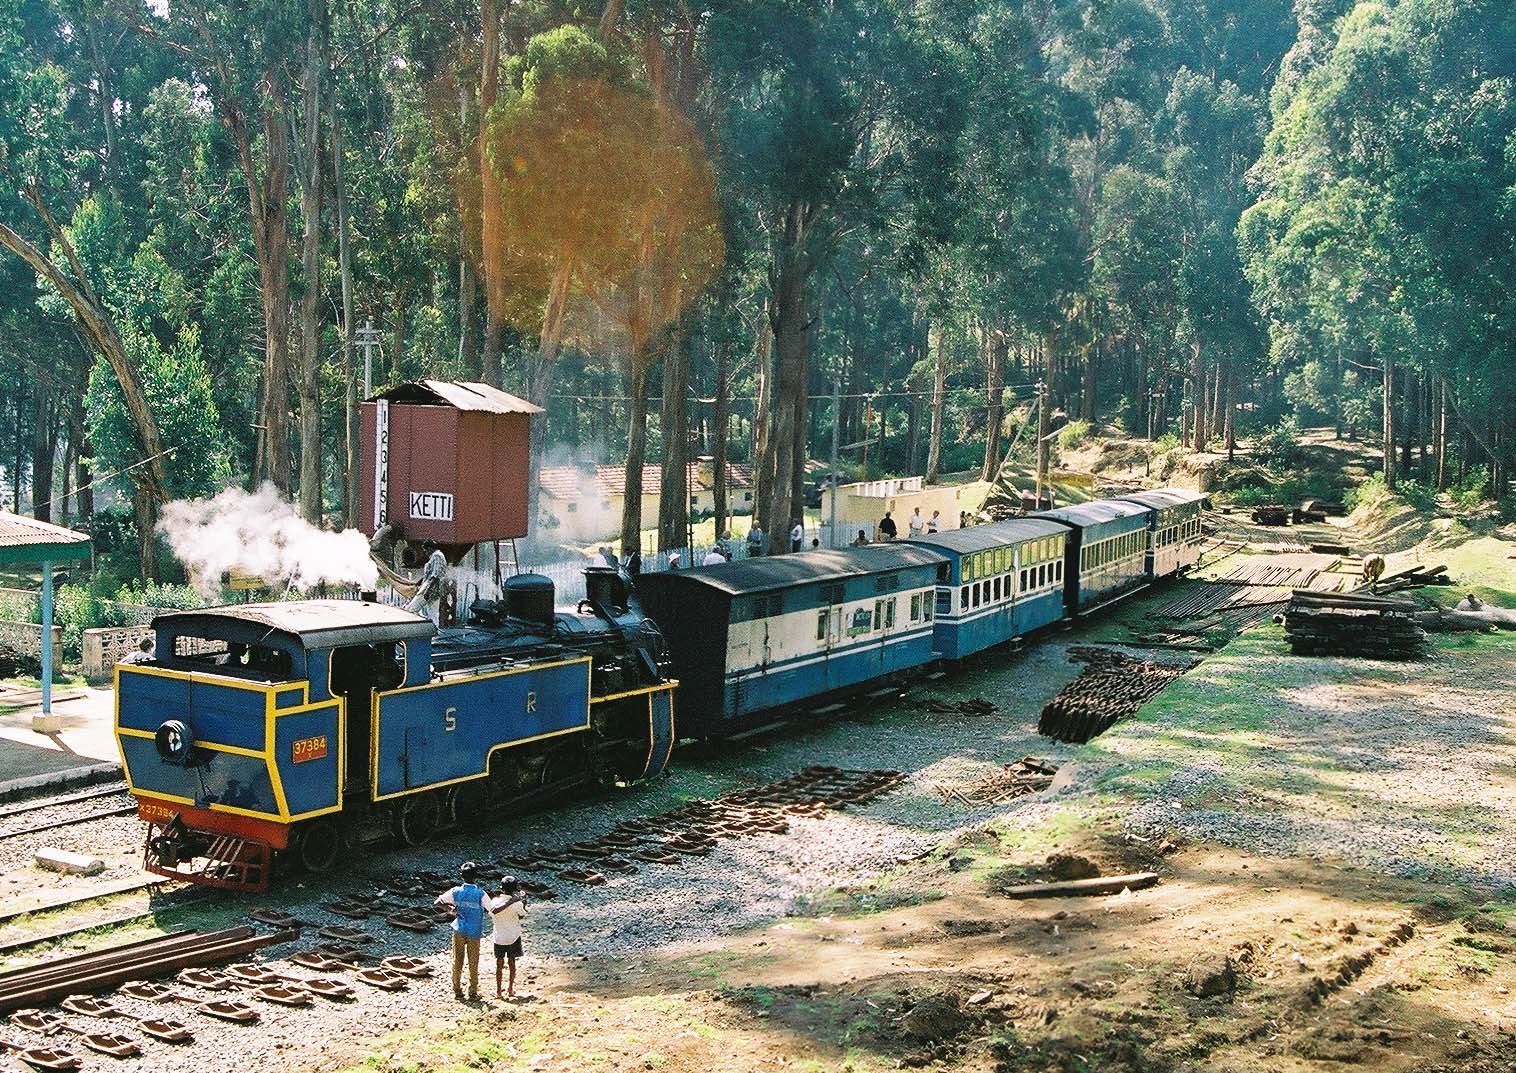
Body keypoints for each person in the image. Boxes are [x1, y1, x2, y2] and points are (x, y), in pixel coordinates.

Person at [435, 861, 490, 1001]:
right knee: (473, 962)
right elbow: (491, 910)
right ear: (476, 876)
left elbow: (438, 902)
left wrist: (451, 910)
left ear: (461, 876)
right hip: (474, 932)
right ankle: (472, 991)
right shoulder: (480, 893)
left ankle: (457, 990)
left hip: (458, 929)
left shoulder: (455, 891)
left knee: (457, 960)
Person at [487, 878, 528, 998]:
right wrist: (523, 902)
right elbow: (521, 915)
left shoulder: (494, 901)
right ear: (515, 889)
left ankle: (498, 991)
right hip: (513, 936)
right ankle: (510, 989)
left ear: (501, 888)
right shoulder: (517, 903)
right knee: (512, 962)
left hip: (499, 937)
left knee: (499, 964)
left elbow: (492, 913)